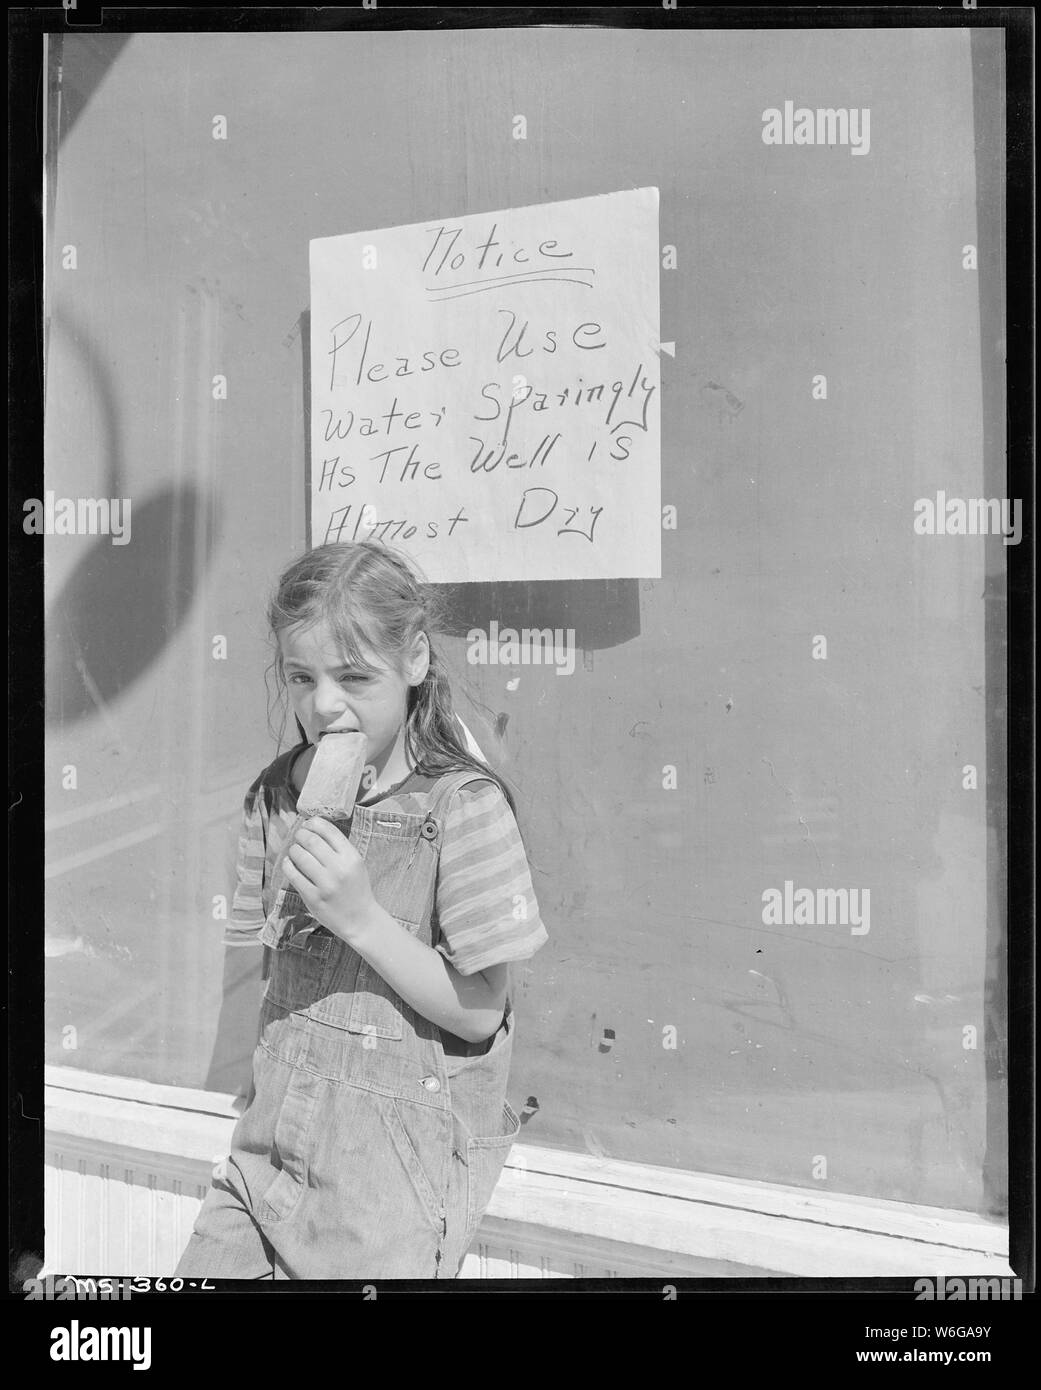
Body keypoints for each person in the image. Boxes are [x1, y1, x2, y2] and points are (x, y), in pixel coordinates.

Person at [174, 540, 548, 1278]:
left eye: (352, 676)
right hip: (261, 1168)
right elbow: (269, 982)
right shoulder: (273, 797)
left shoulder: (464, 811)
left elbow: (478, 1013)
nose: (322, 705)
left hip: (388, 1196)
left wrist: (361, 919)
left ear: (413, 660)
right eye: (301, 676)